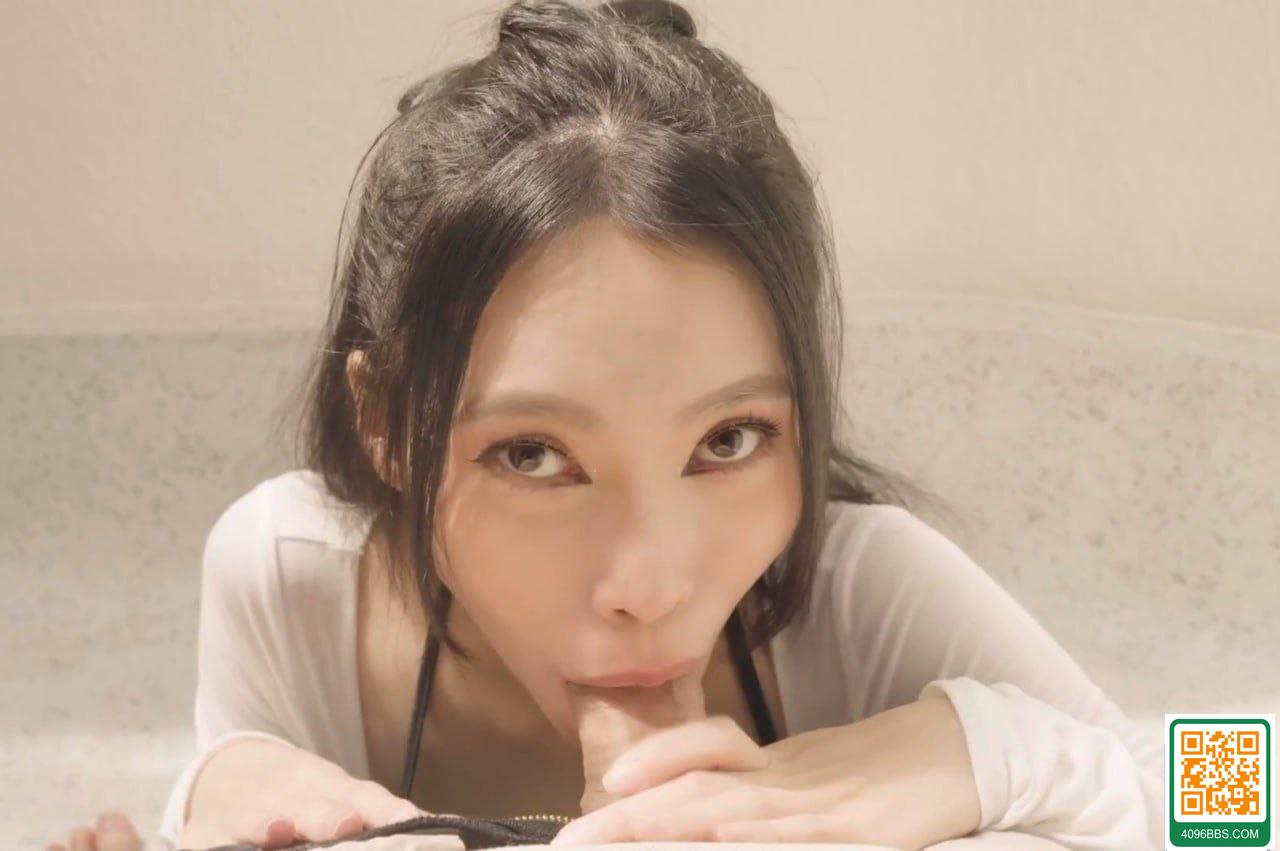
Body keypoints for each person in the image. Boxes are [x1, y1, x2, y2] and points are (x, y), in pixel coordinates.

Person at [46, 1, 1164, 849]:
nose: (649, 585)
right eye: (534, 455)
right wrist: (202, 795)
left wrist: (971, 751)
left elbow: (1236, 785)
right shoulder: (291, 586)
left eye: (728, 439)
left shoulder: (856, 594)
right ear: (384, 421)